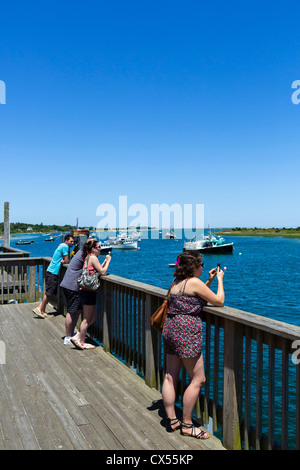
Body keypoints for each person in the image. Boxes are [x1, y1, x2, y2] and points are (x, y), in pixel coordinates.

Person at [161, 251, 225, 440]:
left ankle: (173, 420)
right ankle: (187, 425)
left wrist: (209, 280)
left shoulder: (177, 283)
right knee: (198, 379)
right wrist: (220, 279)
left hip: (171, 328)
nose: (203, 267)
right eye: (202, 265)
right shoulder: (193, 282)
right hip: (186, 331)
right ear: (194, 267)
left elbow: (195, 296)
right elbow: (219, 301)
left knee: (170, 376)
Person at [71, 239, 111, 350]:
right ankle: (82, 342)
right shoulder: (93, 258)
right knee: (87, 319)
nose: (100, 249)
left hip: (86, 291)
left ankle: (78, 336)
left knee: (93, 317)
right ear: (93, 249)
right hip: (88, 292)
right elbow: (102, 272)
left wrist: (103, 263)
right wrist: (108, 261)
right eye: (98, 247)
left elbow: (97, 270)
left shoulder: (89, 257)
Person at [33, 234, 75, 318]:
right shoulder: (65, 246)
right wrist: (64, 261)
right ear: (66, 241)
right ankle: (40, 309)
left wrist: (64, 261)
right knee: (49, 293)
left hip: (51, 271)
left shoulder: (61, 245)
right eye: (71, 241)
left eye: (73, 241)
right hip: (53, 272)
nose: (72, 243)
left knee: (52, 293)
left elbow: (65, 260)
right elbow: (67, 261)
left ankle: (42, 310)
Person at [60, 247, 85, 344]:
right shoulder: (85, 255)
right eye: (97, 247)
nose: (99, 248)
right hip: (71, 286)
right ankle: (67, 337)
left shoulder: (80, 252)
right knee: (71, 310)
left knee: (77, 310)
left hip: (68, 284)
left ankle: (71, 334)